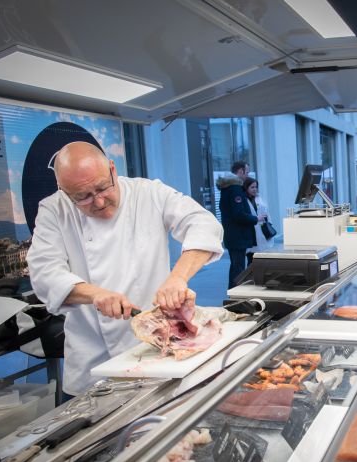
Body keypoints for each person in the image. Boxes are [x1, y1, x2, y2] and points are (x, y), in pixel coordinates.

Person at [27, 142, 223, 397]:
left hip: (154, 352)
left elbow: (203, 225)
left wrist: (178, 278)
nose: (98, 201)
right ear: (63, 191)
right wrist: (95, 294)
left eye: (102, 187)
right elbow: (44, 273)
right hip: (90, 364)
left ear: (112, 169)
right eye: (82, 197)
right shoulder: (53, 210)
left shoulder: (149, 193)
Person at [217, 161, 261, 288]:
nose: (247, 175)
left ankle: (233, 294)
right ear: (240, 172)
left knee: (236, 267)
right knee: (238, 268)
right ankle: (235, 296)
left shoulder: (227, 189)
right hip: (237, 236)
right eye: (246, 172)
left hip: (233, 235)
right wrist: (255, 219)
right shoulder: (235, 189)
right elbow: (238, 214)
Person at [243, 177, 274, 264]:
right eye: (252, 187)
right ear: (246, 188)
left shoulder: (259, 197)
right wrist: (257, 217)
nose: (255, 189)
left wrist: (269, 222)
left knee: (263, 257)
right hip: (251, 232)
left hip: (263, 230)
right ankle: (252, 276)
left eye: (256, 187)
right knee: (252, 258)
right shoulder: (244, 200)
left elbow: (266, 211)